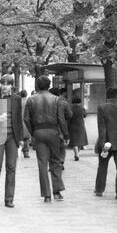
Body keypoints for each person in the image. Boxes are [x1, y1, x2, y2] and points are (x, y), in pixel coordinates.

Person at [24, 75, 69, 203]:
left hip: (38, 131)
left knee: (42, 163)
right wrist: (66, 135)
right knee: (55, 160)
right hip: (53, 131)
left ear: (37, 86)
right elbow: (61, 118)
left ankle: (46, 194)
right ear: (49, 86)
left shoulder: (31, 99)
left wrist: (33, 132)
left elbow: (26, 118)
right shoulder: (56, 99)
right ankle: (57, 191)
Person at [0, 74, 23, 208]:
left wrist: (21, 138)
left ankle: (9, 198)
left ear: (12, 85)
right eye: (3, 84)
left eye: (8, 84)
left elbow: (18, 119)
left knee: (11, 167)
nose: (5, 87)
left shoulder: (16, 98)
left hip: (12, 136)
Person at [20, 90, 31, 158]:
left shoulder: (17, 102)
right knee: (26, 138)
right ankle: (26, 152)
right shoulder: (29, 102)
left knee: (19, 137)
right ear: (26, 94)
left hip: (19, 121)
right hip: (26, 121)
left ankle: (18, 151)